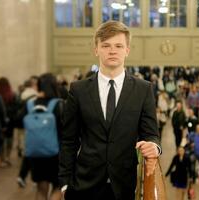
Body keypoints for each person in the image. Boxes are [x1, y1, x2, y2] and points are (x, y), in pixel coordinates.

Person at [59, 21, 161, 200]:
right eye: (105, 45)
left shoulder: (143, 89)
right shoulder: (78, 90)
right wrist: (65, 183)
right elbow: (69, 140)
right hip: (83, 185)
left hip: (124, 185)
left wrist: (154, 147)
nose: (112, 51)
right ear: (96, 49)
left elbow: (151, 134)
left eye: (118, 46)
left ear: (127, 50)